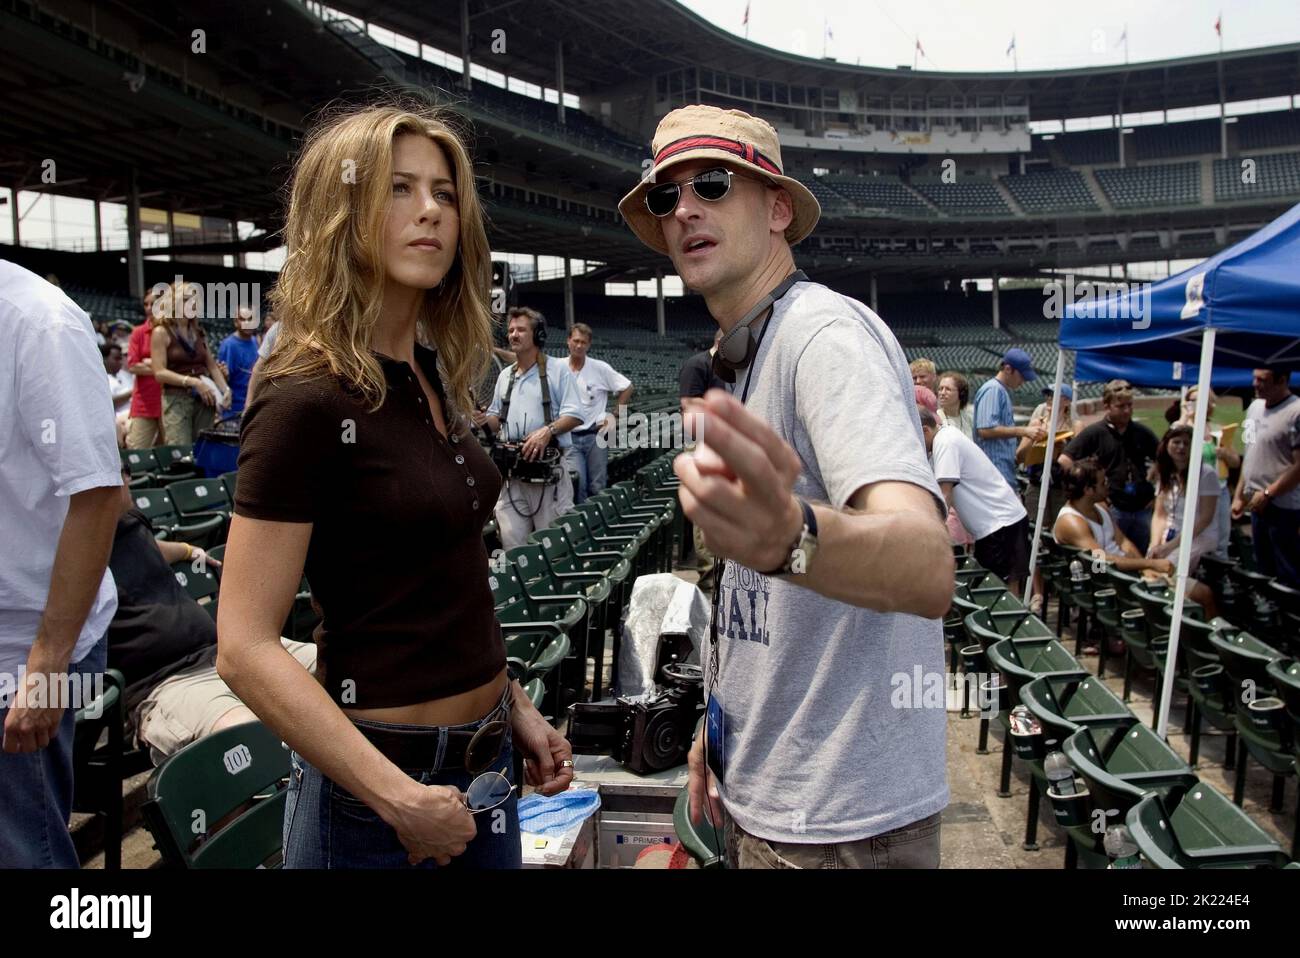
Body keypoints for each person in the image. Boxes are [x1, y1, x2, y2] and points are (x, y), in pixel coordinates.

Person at [217, 102, 573, 870]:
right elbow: (243, 648)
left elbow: (448, 582)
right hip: (373, 797)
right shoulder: (302, 393)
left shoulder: (433, 372)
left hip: (486, 770)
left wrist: (515, 708)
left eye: (445, 193)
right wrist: (396, 797)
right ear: (340, 212)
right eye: (399, 190)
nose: (431, 213)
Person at [618, 104, 952, 869]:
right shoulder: (748, 352)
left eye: (710, 183)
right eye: (667, 197)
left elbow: (929, 567)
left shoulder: (821, 338)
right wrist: (720, 722)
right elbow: (764, 604)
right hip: (773, 794)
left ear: (777, 209)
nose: (685, 210)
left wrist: (788, 542)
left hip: (843, 824)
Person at [0, 260, 122, 868]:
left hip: (23, 653)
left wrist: (45, 668)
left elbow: (99, 497)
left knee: (27, 850)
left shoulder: (39, 321)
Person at [105, 464, 317, 763]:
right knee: (249, 740)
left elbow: (150, 548)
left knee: (347, 669)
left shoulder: (129, 521)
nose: (125, 478)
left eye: (124, 471)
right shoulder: (65, 553)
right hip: (167, 683)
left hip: (229, 654)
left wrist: (188, 551)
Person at [476, 307, 583, 550]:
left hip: (548, 476)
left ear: (538, 336)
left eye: (521, 329)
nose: (513, 334)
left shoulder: (558, 370)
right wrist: (481, 419)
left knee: (554, 548)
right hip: (512, 478)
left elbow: (575, 414)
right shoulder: (505, 376)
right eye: (511, 330)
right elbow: (494, 421)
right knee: (514, 549)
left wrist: (548, 431)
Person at [920, 408, 1030, 595]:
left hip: (1001, 523)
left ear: (925, 430)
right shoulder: (944, 439)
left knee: (1003, 591)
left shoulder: (945, 442)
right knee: (994, 588)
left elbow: (945, 494)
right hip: (994, 526)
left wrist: (929, 532)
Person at [1060, 379, 1159, 555]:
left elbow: (1162, 459)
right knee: (1109, 555)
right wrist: (1083, 488)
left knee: (1139, 555)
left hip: (1142, 507)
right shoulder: (1094, 433)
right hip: (1113, 507)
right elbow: (1065, 460)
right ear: (1107, 406)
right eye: (1121, 406)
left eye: (1130, 405)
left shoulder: (1141, 432)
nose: (1127, 411)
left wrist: (1158, 489)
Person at [1053, 458, 1174, 580]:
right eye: (1103, 482)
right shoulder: (1071, 522)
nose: (1108, 484)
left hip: (1125, 571)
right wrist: (1150, 564)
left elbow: (1122, 542)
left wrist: (1145, 569)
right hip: (1108, 580)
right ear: (1088, 490)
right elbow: (1100, 560)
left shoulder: (1101, 506)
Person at [1232, 367, 1300, 585]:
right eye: (1254, 378)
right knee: (1264, 568)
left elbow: (1299, 466)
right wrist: (1239, 493)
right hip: (1256, 503)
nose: (1255, 384)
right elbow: (1250, 451)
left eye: (1263, 380)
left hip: (1283, 507)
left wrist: (1269, 493)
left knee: (1287, 571)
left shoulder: (1295, 412)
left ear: (1282, 381)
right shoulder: (1254, 407)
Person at [558, 322, 633, 504]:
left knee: (597, 486)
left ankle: (596, 527)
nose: (578, 345)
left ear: (588, 345)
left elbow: (627, 387)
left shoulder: (599, 368)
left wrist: (615, 415)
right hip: (570, 437)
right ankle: (582, 527)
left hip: (595, 435)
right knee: (578, 484)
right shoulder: (558, 367)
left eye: (583, 342)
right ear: (568, 341)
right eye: (575, 340)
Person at [1148, 425, 1220, 615]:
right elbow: (1160, 514)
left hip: (1198, 537)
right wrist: (1155, 543)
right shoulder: (1165, 472)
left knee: (1163, 570)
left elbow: (1205, 518)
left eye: (1186, 444)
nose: (1181, 447)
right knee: (1149, 565)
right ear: (1167, 444)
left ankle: (1199, 611)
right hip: (1171, 535)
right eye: (1176, 442)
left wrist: (1170, 546)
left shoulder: (1206, 474)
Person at [150, 281, 232, 445]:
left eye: (195, 299)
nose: (192, 303)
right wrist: (192, 381)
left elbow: (211, 366)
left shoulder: (199, 332)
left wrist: (225, 389)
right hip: (177, 400)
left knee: (203, 450)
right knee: (182, 453)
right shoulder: (161, 332)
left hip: (204, 400)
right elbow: (159, 373)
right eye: (187, 299)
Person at [1177, 386, 1239, 560]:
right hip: (1193, 491)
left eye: (1199, 400)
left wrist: (1225, 454)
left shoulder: (1217, 430)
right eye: (1191, 401)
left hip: (1220, 489)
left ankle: (1221, 574)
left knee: (1221, 536)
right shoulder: (1182, 427)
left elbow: (1235, 462)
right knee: (1195, 535)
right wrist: (1185, 416)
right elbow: (1171, 449)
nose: (1194, 405)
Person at [973, 348, 1046, 493]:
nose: (1023, 381)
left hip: (1001, 471)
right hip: (993, 472)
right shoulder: (993, 390)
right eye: (1022, 376)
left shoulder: (1000, 390)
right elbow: (985, 429)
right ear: (1008, 369)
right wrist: (1024, 431)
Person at [125, 289, 165, 449]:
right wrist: (162, 368)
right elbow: (133, 366)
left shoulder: (170, 332)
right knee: (136, 452)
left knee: (171, 454)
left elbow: (176, 366)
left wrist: (150, 363)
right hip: (144, 403)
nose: (148, 308)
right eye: (146, 304)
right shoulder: (138, 332)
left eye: (153, 303)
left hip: (168, 402)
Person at [217, 306, 262, 416]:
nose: (247, 323)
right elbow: (222, 381)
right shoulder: (229, 345)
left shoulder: (255, 342)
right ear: (236, 322)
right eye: (243, 319)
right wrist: (224, 375)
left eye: (250, 319)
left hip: (252, 407)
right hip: (233, 411)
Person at [680, 327, 727, 413]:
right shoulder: (696, 364)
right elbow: (688, 401)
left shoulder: (729, 366)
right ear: (720, 342)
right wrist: (729, 409)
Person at [103, 342, 134, 445]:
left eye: (121, 358)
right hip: (118, 418)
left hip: (134, 413)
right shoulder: (102, 378)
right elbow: (109, 403)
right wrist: (132, 393)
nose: (120, 362)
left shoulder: (125, 375)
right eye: (116, 358)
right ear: (105, 359)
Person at [937, 370, 973, 440]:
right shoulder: (936, 418)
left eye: (948, 389)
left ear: (961, 394)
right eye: (940, 389)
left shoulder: (969, 419)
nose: (942, 393)